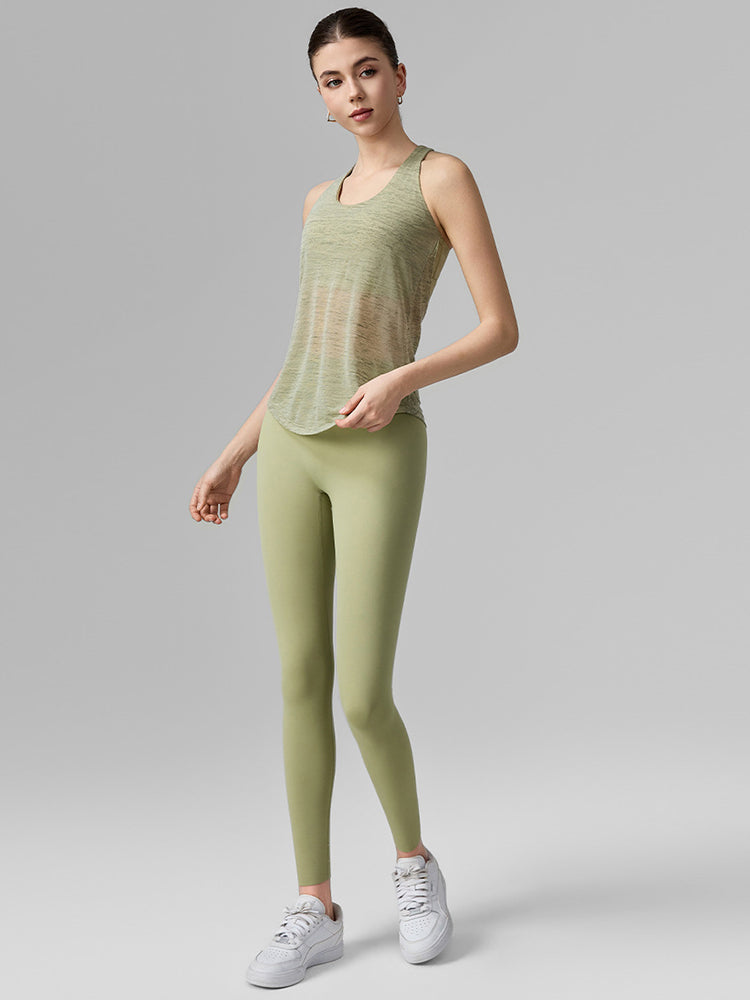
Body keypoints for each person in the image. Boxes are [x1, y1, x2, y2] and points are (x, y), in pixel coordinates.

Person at [189, 6, 518, 989]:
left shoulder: (440, 178)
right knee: (300, 677)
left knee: (364, 692)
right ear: (322, 100)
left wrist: (400, 378)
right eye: (333, 81)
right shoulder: (317, 202)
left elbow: (500, 327)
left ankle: (415, 867)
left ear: (400, 76)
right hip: (293, 443)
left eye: (368, 70)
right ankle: (315, 905)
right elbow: (306, 351)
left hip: (378, 446)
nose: (354, 92)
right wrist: (235, 453)